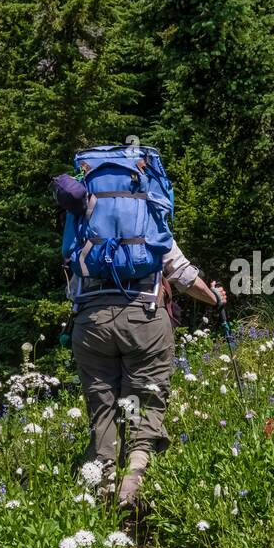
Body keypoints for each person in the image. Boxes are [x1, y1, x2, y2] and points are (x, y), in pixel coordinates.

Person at [55, 170, 226, 510]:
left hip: (91, 325)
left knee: (102, 404)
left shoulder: (84, 221)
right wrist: (216, 299)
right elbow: (182, 275)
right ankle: (132, 482)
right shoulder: (147, 221)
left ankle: (101, 483)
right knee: (145, 398)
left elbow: (71, 275)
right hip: (144, 320)